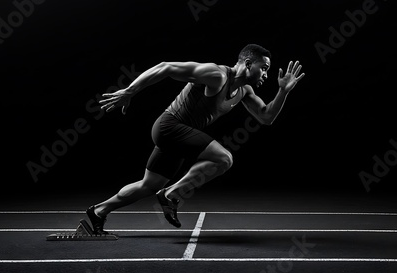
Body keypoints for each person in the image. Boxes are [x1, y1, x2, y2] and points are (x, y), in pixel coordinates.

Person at [87, 44, 305, 234]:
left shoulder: (244, 91)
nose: (266, 75)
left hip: (180, 137)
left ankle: (98, 211)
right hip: (169, 126)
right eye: (264, 68)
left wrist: (283, 91)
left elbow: (266, 117)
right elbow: (166, 67)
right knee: (224, 159)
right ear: (248, 63)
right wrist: (129, 91)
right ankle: (171, 194)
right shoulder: (217, 75)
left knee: (148, 185)